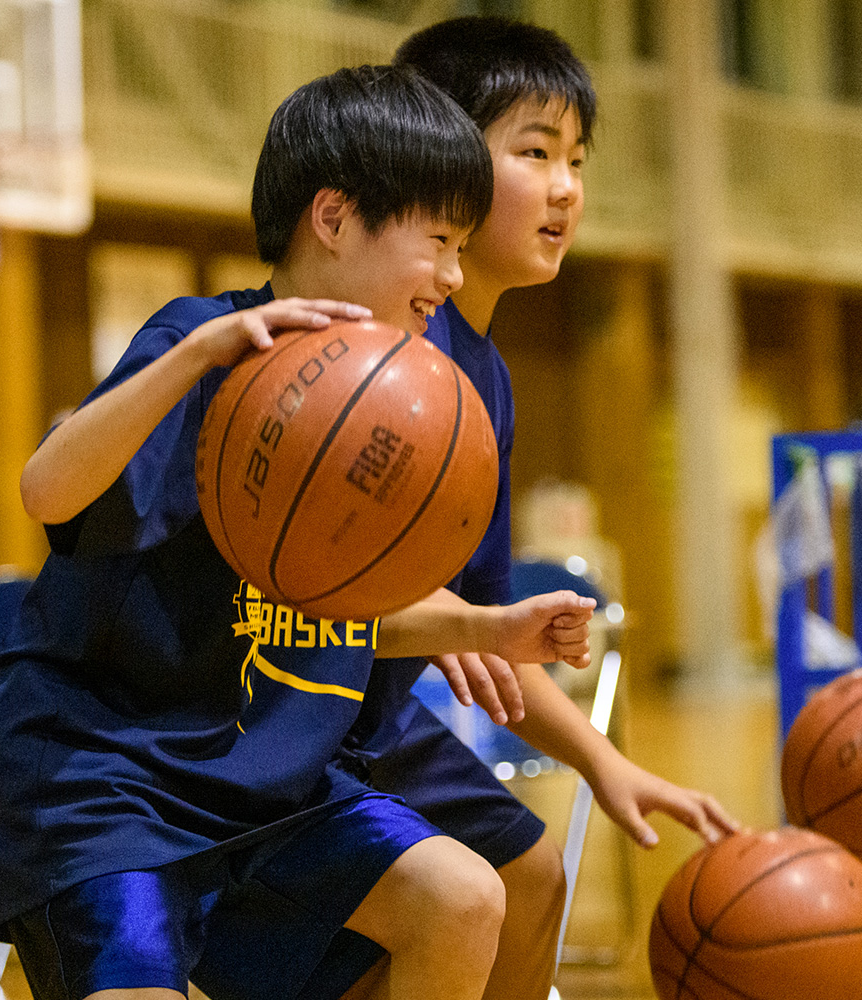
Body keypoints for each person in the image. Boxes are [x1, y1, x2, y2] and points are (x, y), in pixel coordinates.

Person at [0, 64, 600, 1000]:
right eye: (438, 241)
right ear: (336, 217)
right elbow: (46, 492)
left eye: (463, 247)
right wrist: (192, 355)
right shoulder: (206, 341)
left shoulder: (392, 412)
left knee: (463, 895)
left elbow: (335, 604)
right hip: (111, 781)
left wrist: (485, 629)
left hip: (274, 788)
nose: (453, 276)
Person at [214, 19, 739, 1000]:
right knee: (441, 910)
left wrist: (599, 762)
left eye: (576, 159)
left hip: (374, 719)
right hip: (282, 706)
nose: (566, 187)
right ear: (442, 163)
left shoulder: (483, 376)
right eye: (533, 153)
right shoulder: (379, 348)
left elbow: (490, 638)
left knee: (531, 875)